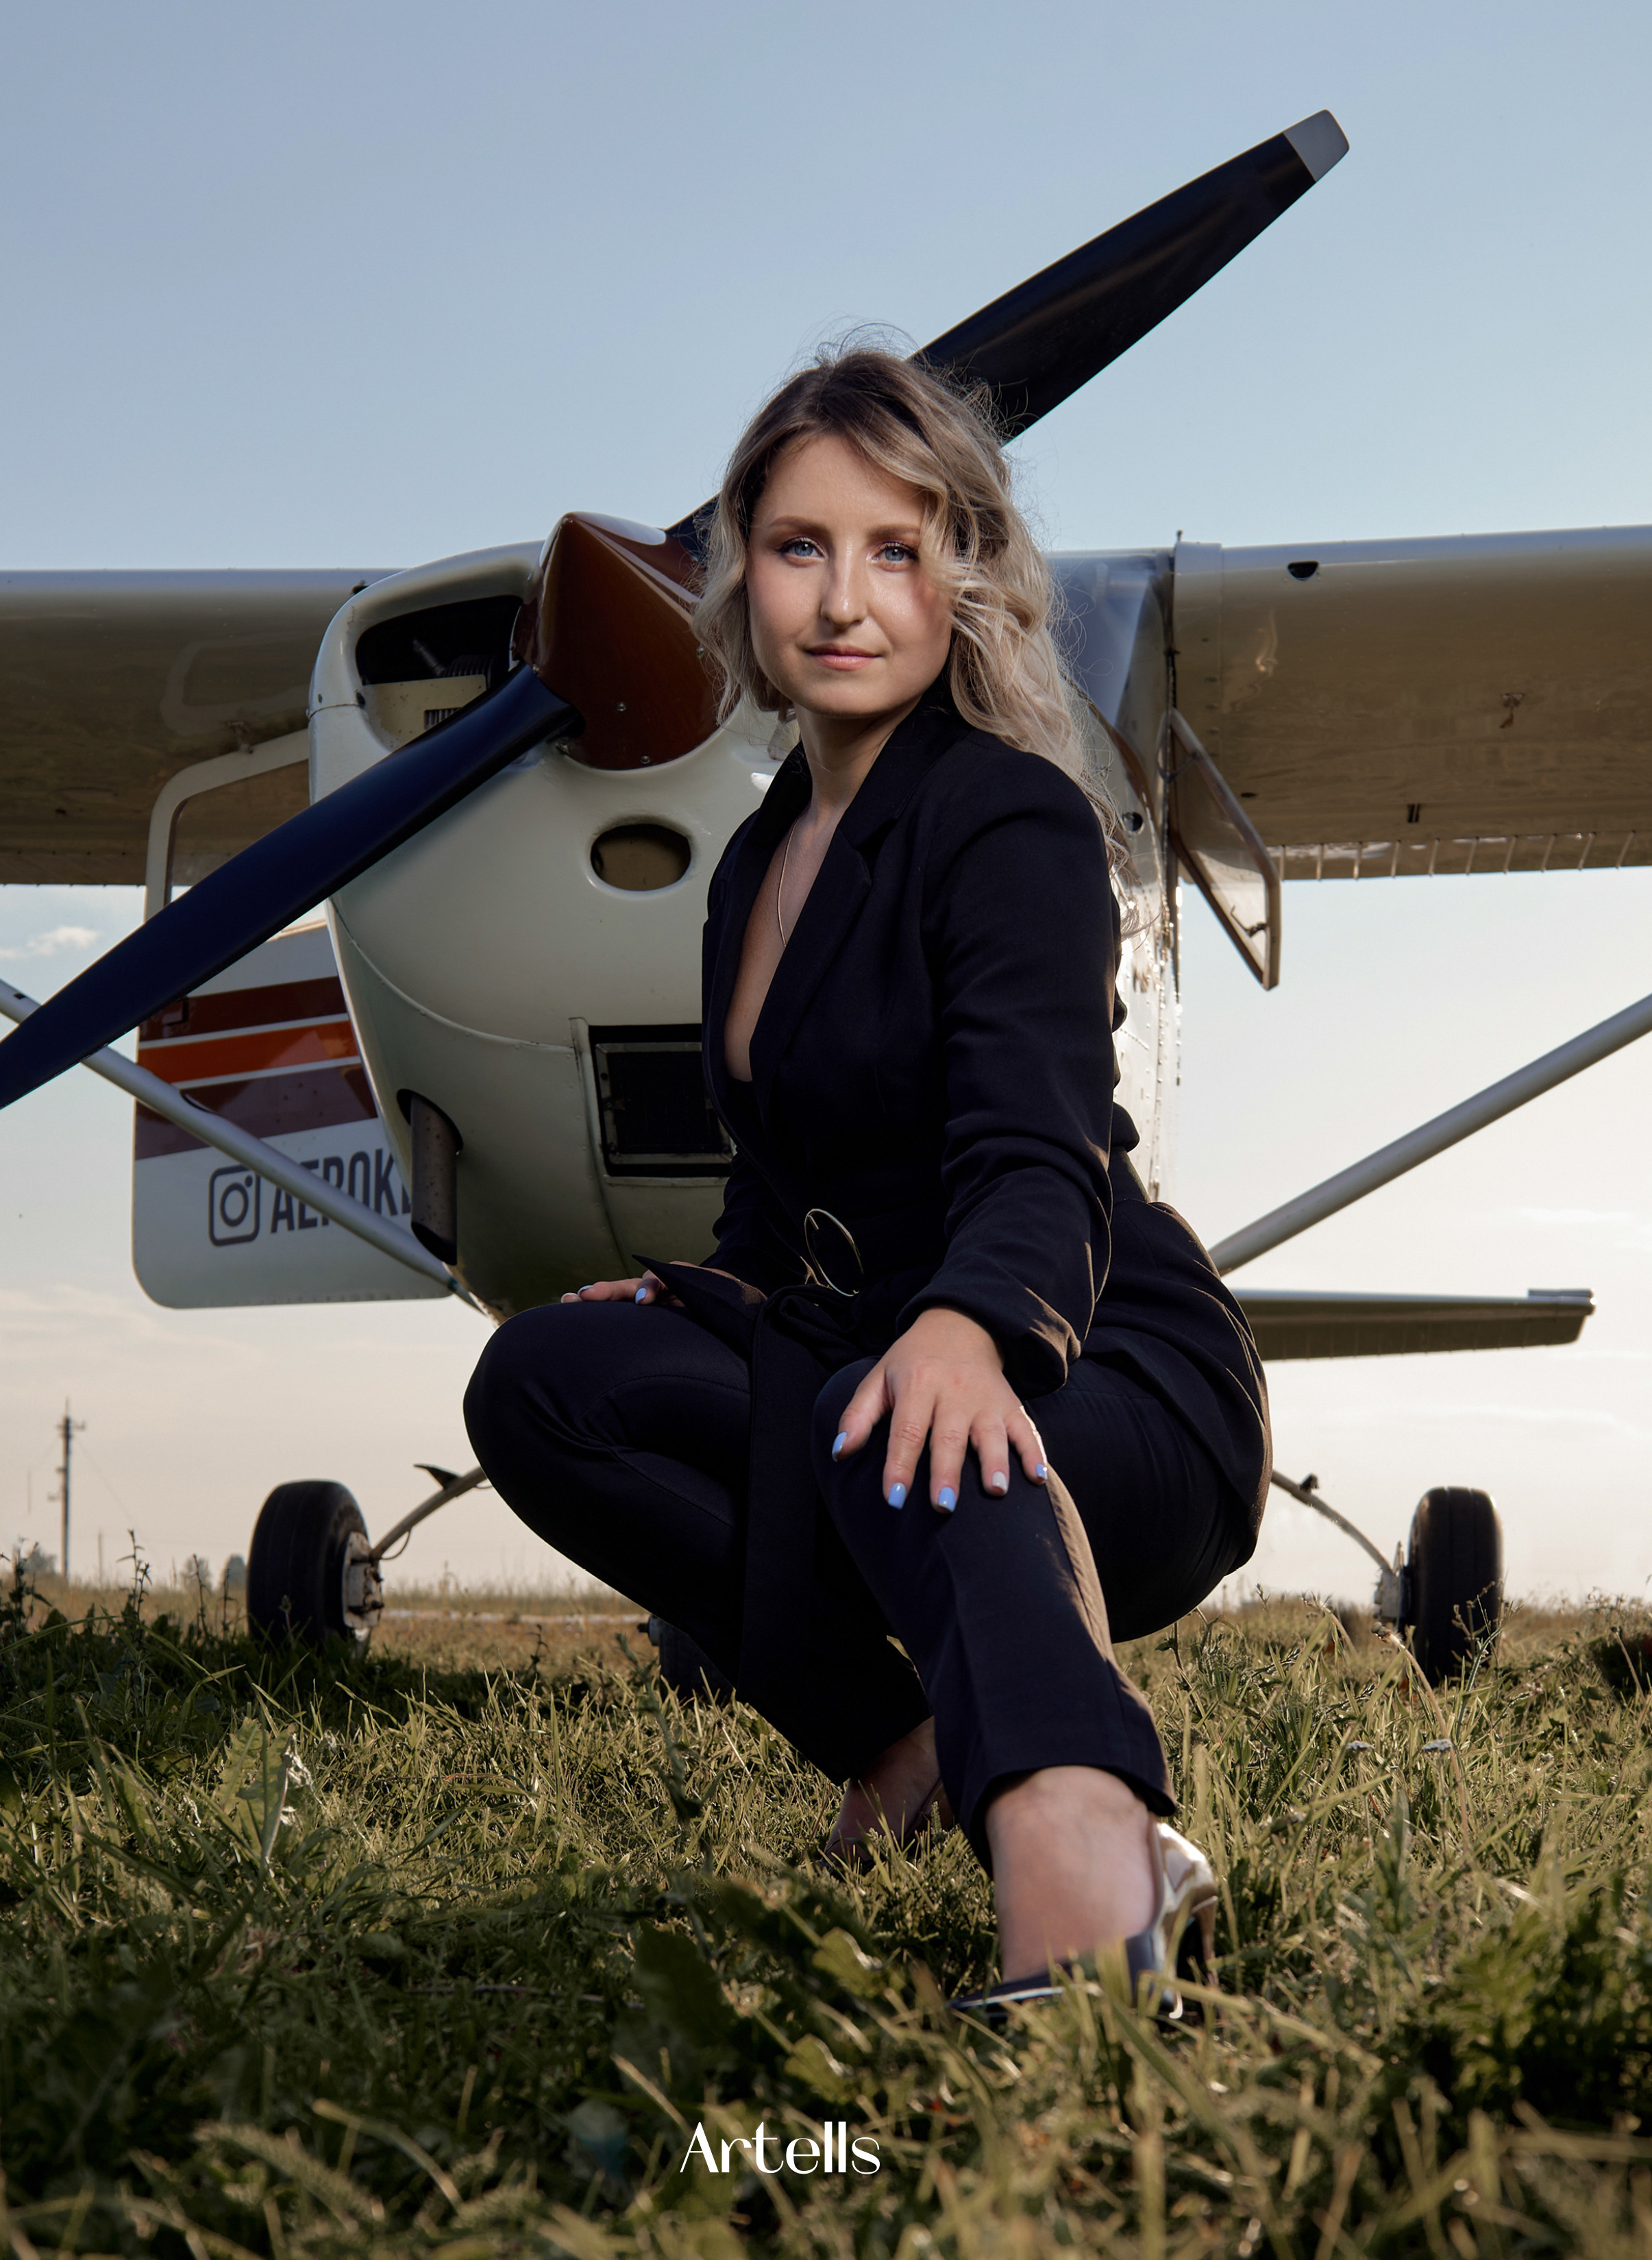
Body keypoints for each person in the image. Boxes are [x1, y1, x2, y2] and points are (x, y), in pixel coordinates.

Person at [465, 347, 1269, 2006]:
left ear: (958, 575)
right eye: (799, 546)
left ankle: (1092, 1866)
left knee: (906, 1420)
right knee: (543, 1381)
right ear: (742, 578)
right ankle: (901, 1738)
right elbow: (777, 1211)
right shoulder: (757, 863)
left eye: (893, 549)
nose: (842, 599)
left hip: (1101, 1357)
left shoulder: (1010, 818)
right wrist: (695, 1295)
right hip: (868, 1362)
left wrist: (973, 1327)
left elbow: (1040, 1143)